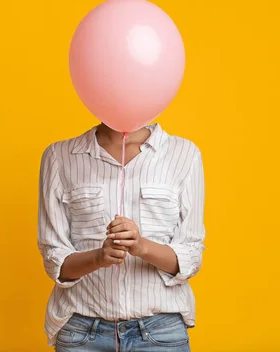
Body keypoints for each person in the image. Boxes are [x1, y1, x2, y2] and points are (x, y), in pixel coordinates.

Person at [38, 122, 205, 351]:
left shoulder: (184, 154)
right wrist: (99, 257)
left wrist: (141, 246)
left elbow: (191, 258)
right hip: (83, 333)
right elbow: (54, 261)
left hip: (160, 333)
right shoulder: (59, 156)